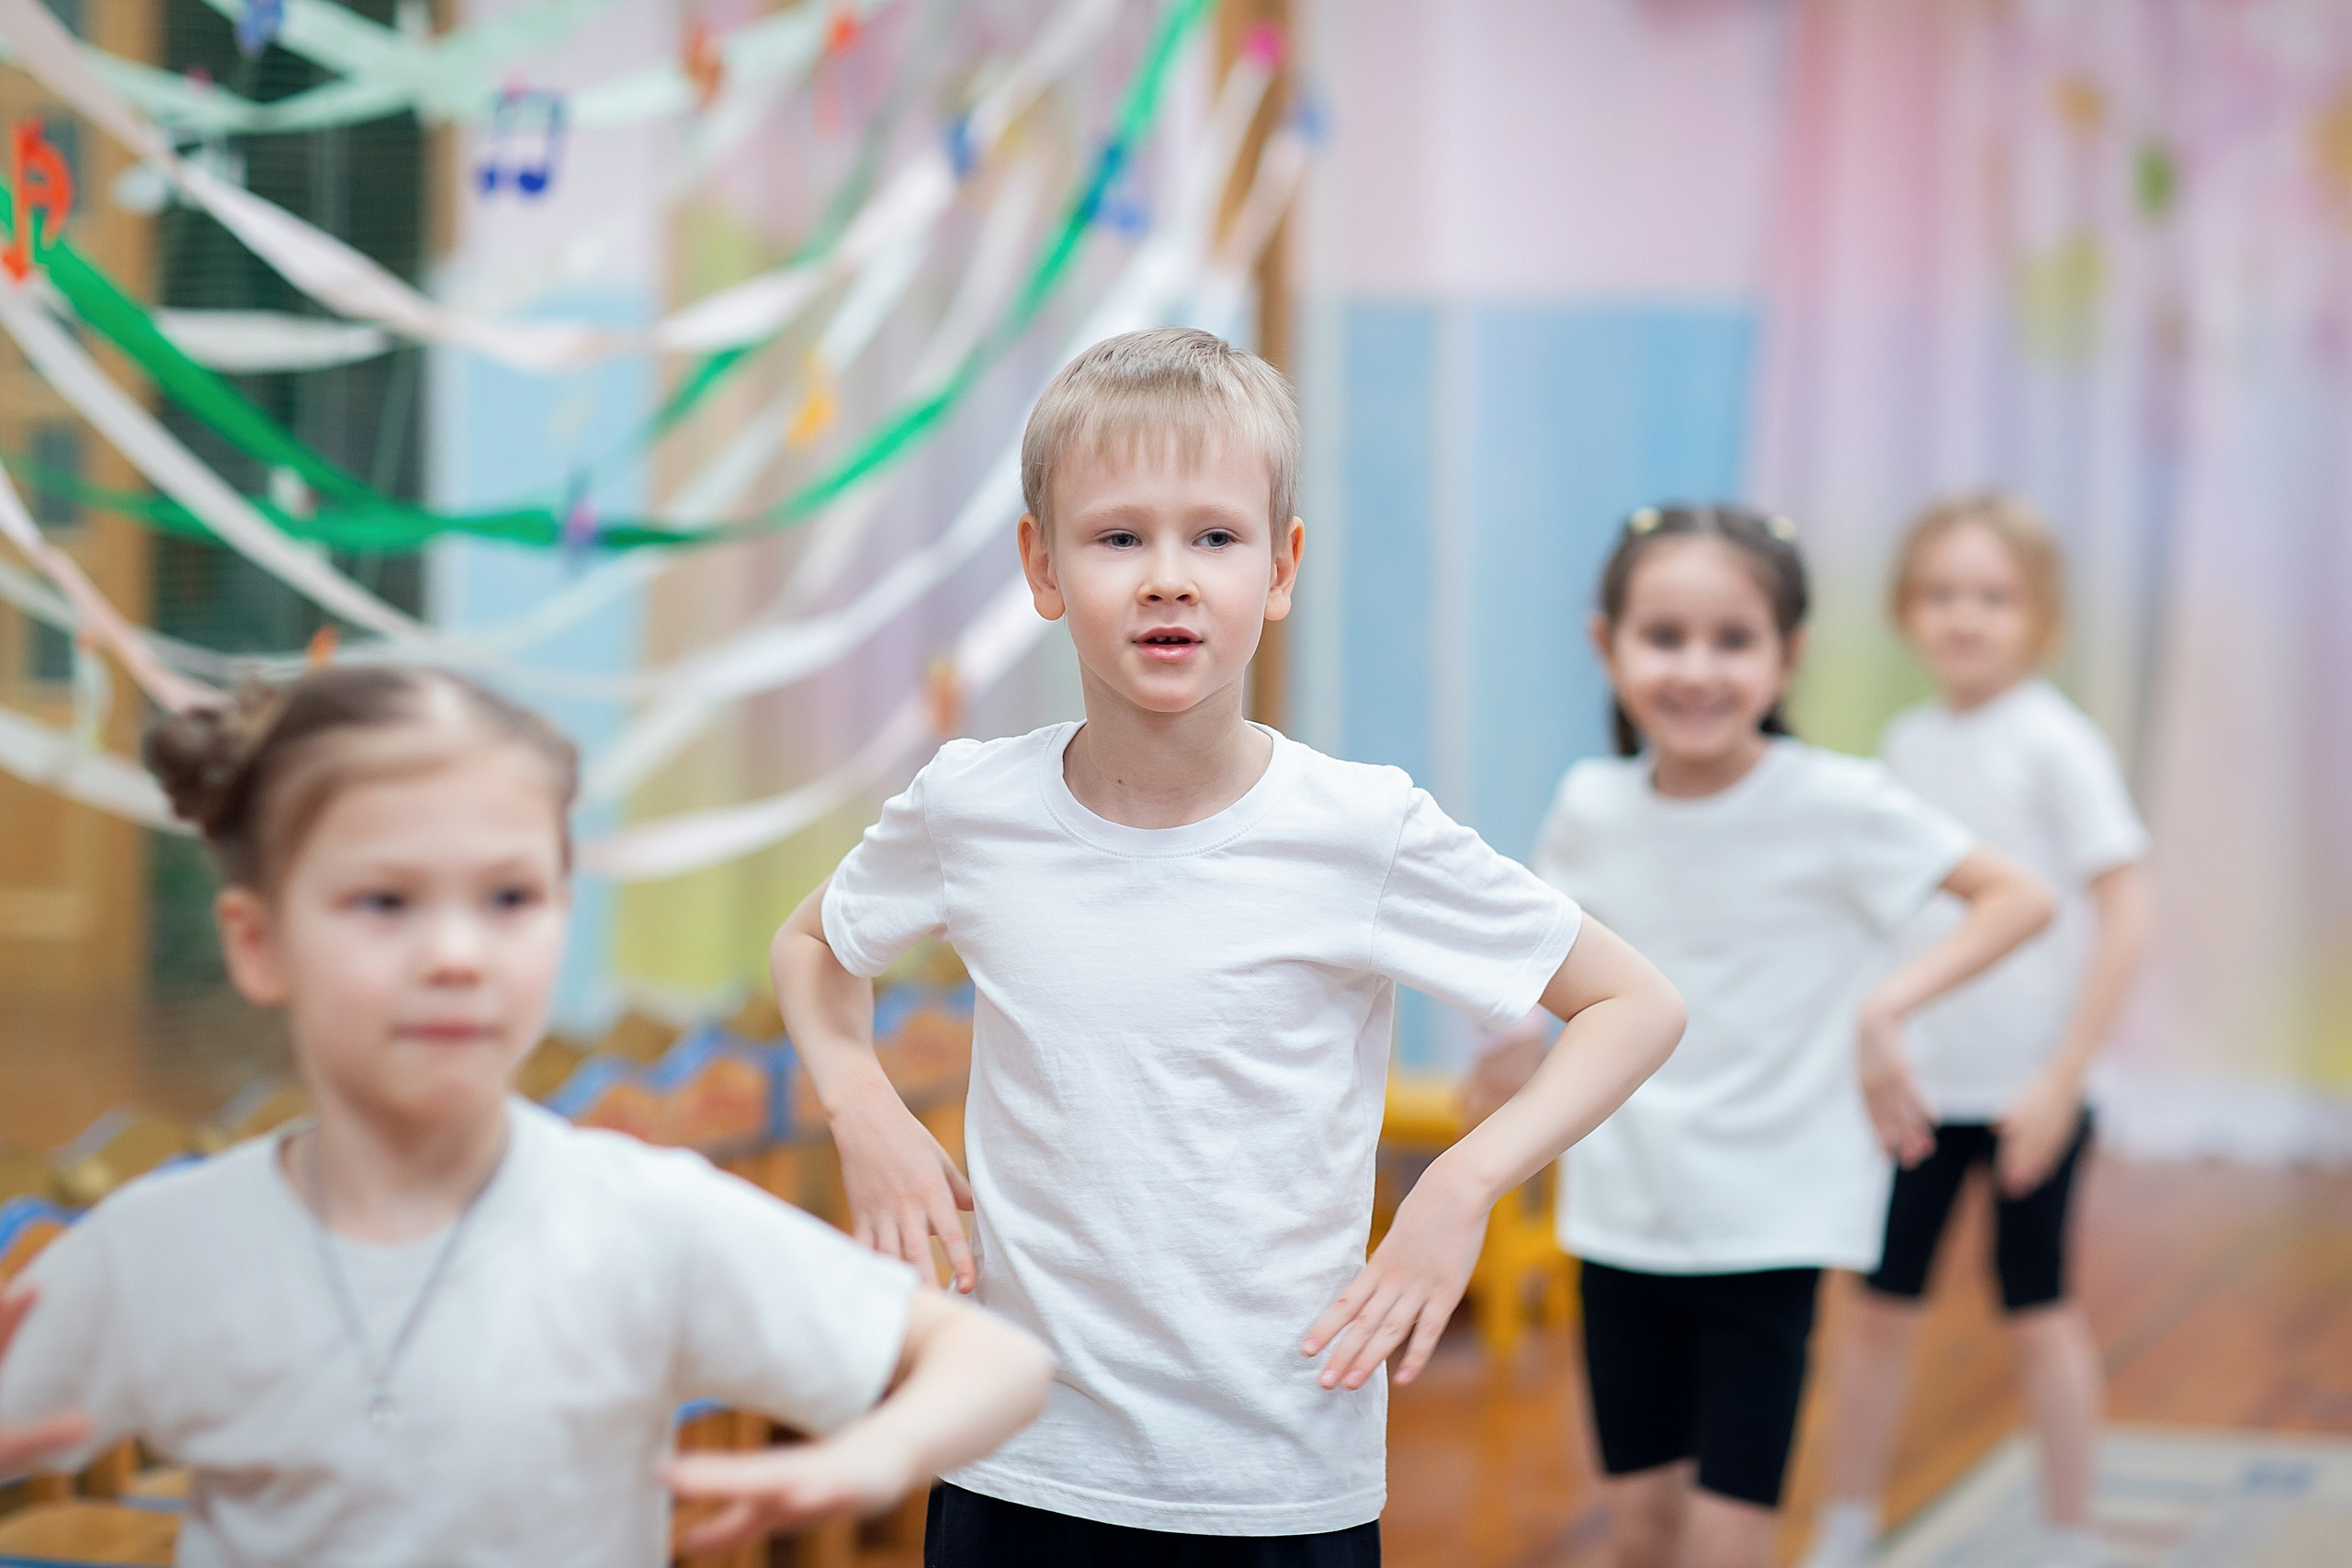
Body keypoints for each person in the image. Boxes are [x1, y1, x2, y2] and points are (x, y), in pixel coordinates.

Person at [772, 327, 1688, 1567]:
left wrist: (1463, 1184)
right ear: (1042, 566)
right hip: (1016, 1456)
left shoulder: (1360, 829)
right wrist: (859, 1102)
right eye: (1116, 537)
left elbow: (1634, 1002)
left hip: (1275, 1482)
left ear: (1283, 565)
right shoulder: (968, 805)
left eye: (1214, 536)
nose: (1168, 577)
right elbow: (814, 945)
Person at [0, 665, 1051, 1566]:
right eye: (384, 902)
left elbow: (995, 1362)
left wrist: (871, 1455)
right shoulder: (167, 1252)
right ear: (259, 941)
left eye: (507, 899)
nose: (456, 956)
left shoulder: (639, 1222)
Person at [1469, 503, 2053, 1568]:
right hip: (1621, 1216)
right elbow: (1550, 972)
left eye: (1733, 640)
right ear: (1607, 647)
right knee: (1640, 1527)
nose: (1697, 670)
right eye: (1663, 637)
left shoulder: (1838, 803)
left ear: (1788, 657)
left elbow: (2017, 898)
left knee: (1728, 1538)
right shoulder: (1590, 804)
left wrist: (1885, 1006)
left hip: (1771, 1224)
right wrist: (1507, 1051)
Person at [1801, 495, 2150, 1568]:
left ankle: (2068, 1533)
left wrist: (2059, 1079)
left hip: (2025, 1093)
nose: (1966, 618)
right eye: (1943, 595)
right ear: (1908, 612)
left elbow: (2126, 912)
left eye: (1993, 598)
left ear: (2039, 619)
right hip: (1919, 1089)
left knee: (2037, 1310)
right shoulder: (1905, 744)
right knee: (1876, 1313)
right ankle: (1846, 1522)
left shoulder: (2056, 746)